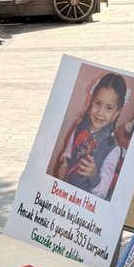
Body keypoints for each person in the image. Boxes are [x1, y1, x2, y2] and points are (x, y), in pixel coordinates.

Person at [53, 72, 127, 200]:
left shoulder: (113, 149)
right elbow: (68, 151)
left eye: (109, 108)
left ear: (117, 112)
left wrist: (93, 174)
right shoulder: (79, 126)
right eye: (97, 103)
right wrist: (63, 162)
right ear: (91, 101)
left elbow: (103, 192)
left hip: (85, 206)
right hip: (64, 193)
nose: (100, 112)